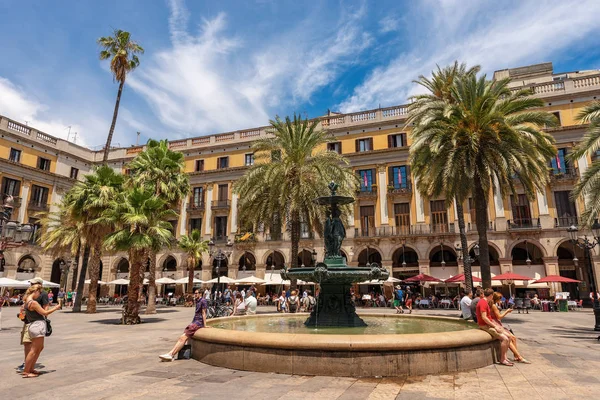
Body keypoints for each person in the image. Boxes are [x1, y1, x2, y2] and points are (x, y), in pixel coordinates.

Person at [21, 284, 62, 377]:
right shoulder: (33, 303)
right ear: (35, 291)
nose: (39, 295)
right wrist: (56, 307)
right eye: (39, 293)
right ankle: (26, 371)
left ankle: (31, 368)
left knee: (39, 348)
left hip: (34, 325)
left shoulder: (27, 301)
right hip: (37, 325)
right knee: (34, 349)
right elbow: (45, 312)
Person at [159, 290, 209, 362]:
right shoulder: (197, 300)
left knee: (183, 338)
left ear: (200, 294)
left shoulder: (203, 301)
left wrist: (205, 325)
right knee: (182, 338)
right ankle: (170, 353)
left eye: (196, 293)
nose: (195, 294)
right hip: (194, 322)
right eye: (194, 293)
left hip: (198, 323)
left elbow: (204, 313)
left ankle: (171, 354)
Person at [16, 278, 50, 374]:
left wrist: (45, 317)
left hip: (34, 322)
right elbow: (23, 307)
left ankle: (27, 366)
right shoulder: (29, 294)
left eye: (33, 283)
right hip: (28, 321)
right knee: (27, 343)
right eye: (31, 283)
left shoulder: (42, 294)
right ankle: (27, 366)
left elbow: (46, 306)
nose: (31, 284)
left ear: (39, 285)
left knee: (31, 344)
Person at [489, 292, 530, 363]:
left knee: (513, 338)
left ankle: (516, 356)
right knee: (509, 338)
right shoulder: (493, 306)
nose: (501, 300)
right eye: (500, 298)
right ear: (497, 299)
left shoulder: (495, 304)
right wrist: (507, 311)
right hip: (495, 324)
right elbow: (499, 317)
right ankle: (519, 357)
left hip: (497, 323)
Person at [476, 288, 513, 366]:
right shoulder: (483, 302)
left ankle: (505, 357)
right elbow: (484, 317)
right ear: (491, 295)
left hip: (490, 324)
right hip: (485, 325)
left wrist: (496, 325)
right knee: (505, 338)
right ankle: (502, 359)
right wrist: (495, 326)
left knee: (509, 336)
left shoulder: (485, 302)